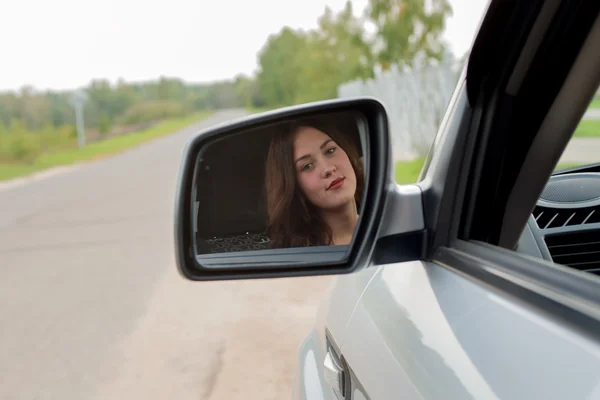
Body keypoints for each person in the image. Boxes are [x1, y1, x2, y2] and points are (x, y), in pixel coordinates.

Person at [264, 117, 365, 249]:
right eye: (307, 166)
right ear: (295, 187)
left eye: (330, 151)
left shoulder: (387, 225)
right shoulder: (298, 256)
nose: (327, 169)